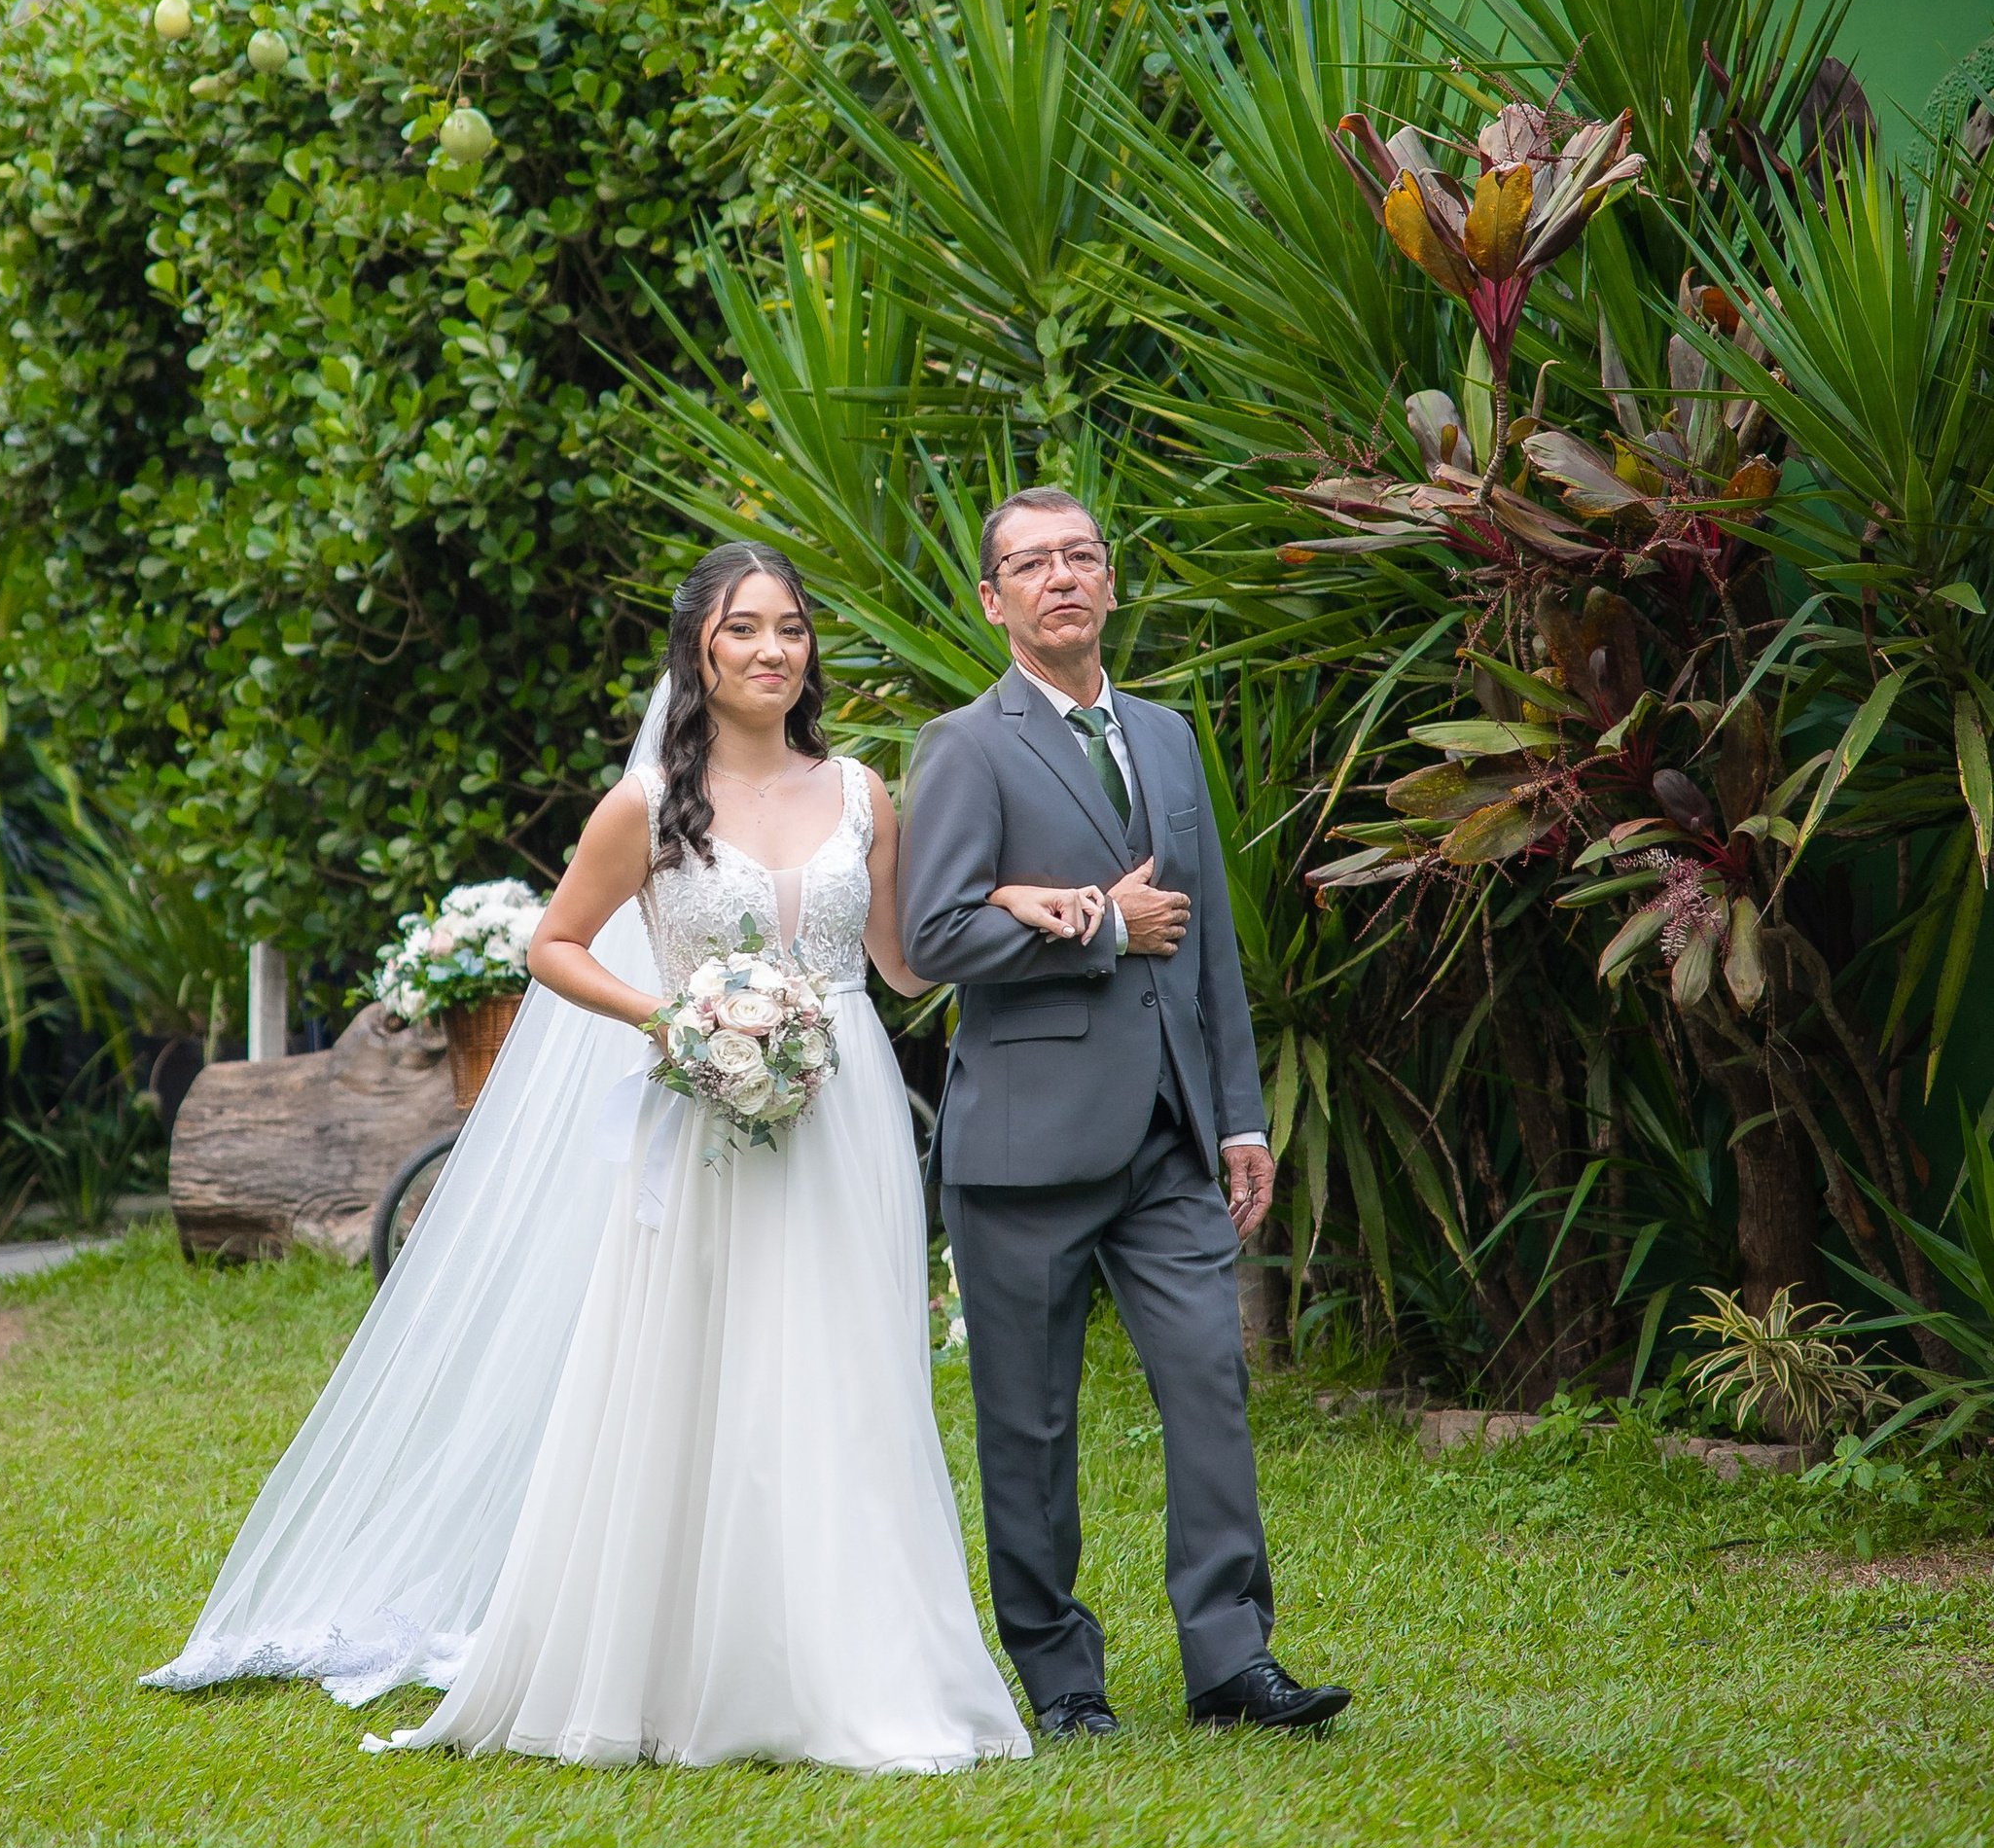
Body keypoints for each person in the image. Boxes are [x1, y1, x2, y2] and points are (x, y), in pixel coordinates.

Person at [144, 541, 1039, 1773]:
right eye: (743, 630)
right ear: (698, 653)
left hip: (847, 1114)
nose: (772, 650)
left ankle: (858, 1664)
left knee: (848, 1372)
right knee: (696, 1372)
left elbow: (901, 962)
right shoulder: (646, 810)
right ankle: (681, 1666)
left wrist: (1030, 907)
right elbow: (555, 945)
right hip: (699, 1110)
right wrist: (670, 1020)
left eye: (789, 628)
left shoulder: (863, 795)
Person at [898, 484, 1352, 1740]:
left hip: (1165, 1143)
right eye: (1032, 564)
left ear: (1110, 582)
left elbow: (1203, 951)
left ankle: (1231, 1660)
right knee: (1030, 1426)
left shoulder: (1164, 736)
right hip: (1022, 1148)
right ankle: (1060, 1675)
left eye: (1082, 556)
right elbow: (934, 936)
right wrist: (1096, 923)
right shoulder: (965, 746)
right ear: (993, 601)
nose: (1062, 578)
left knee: (1209, 1381)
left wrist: (1240, 1120)